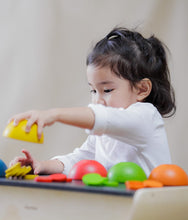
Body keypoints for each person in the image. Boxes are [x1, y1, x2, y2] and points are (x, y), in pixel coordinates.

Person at [9, 27, 176, 177]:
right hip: (117, 204)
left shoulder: (146, 117)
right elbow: (81, 158)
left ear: (142, 89)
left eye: (107, 90)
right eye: (93, 91)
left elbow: (102, 117)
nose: (97, 100)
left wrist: (54, 114)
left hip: (149, 206)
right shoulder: (105, 133)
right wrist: (42, 166)